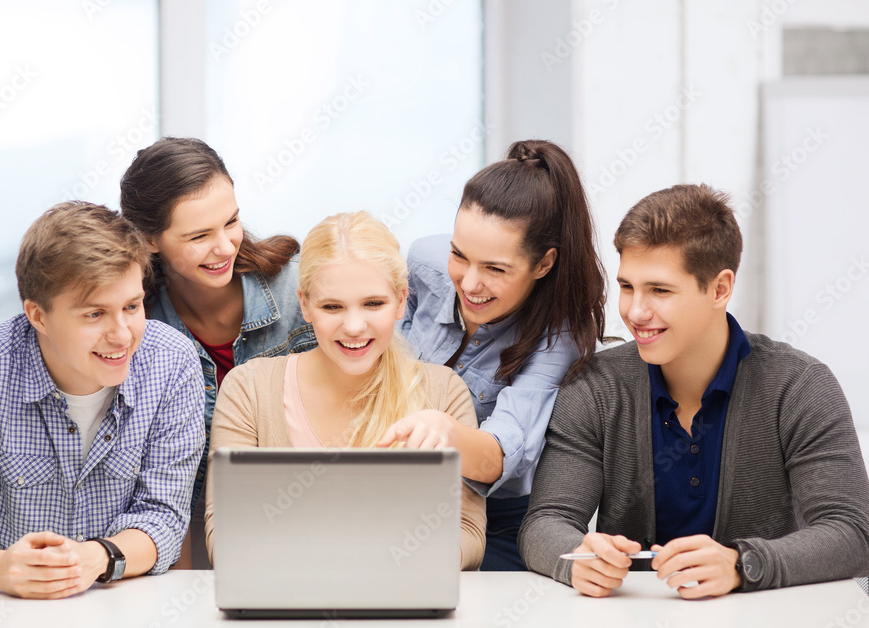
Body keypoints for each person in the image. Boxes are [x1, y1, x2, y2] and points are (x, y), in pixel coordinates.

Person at [519, 183, 869, 598]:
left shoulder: (799, 386)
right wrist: (576, 555)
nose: (635, 312)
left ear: (720, 289)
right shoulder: (595, 387)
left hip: (768, 627)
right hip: (629, 625)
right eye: (628, 287)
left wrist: (741, 565)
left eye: (660, 290)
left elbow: (853, 533)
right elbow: (543, 523)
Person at [0, 202, 206, 599]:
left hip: (118, 611)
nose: (123, 334)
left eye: (132, 306)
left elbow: (163, 516)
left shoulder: (173, 362)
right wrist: (0, 569)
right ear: (38, 316)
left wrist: (96, 558)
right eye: (95, 314)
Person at [204, 212, 486, 569]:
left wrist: (397, 564)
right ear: (305, 305)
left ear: (401, 300)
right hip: (285, 608)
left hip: (403, 603)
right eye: (332, 306)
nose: (354, 326)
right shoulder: (248, 390)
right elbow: (225, 535)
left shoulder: (444, 392)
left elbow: (469, 533)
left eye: (373, 304)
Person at [381, 139, 606, 570]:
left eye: (496, 269)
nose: (469, 283)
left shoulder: (560, 337)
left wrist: (443, 430)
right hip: (397, 497)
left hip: (497, 521)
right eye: (459, 255)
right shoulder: (424, 262)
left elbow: (502, 454)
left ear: (543, 264)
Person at [120, 137, 316, 533]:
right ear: (148, 240)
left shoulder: (302, 292)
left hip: (304, 518)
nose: (225, 246)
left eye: (231, 222)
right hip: (183, 533)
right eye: (199, 236)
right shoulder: (133, 325)